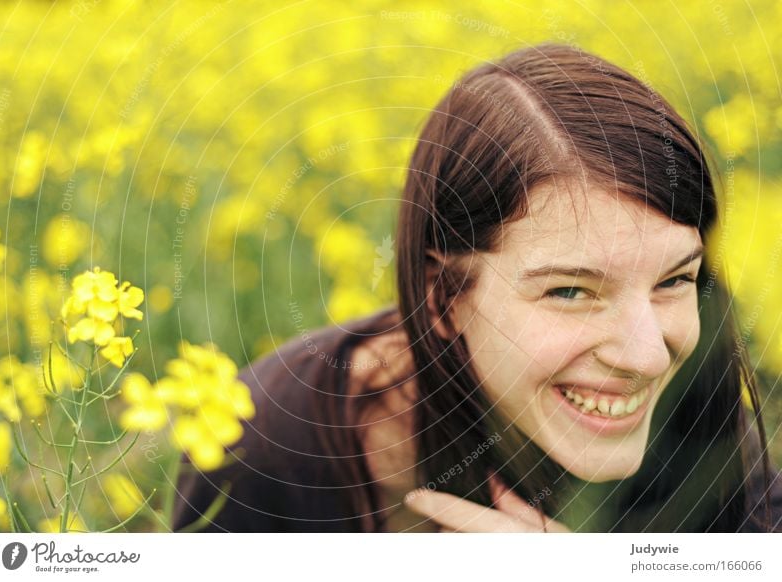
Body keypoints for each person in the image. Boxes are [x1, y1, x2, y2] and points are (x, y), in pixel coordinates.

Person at [172, 42, 782, 533]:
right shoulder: (261, 447)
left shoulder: (698, 420)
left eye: (675, 279)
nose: (648, 356)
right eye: (571, 291)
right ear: (445, 297)